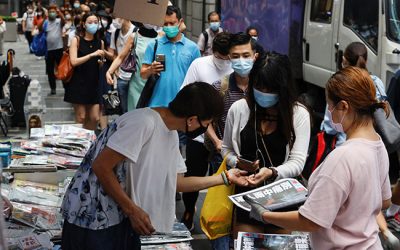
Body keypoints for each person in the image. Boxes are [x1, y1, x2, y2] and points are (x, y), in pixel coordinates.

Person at [61, 82, 248, 250]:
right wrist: (132, 210)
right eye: (206, 124)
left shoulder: (171, 133)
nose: (205, 129)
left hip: (120, 215)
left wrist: (224, 178)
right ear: (192, 119)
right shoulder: (143, 122)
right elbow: (101, 166)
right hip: (92, 216)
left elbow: (176, 182)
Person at [247, 66, 392, 249]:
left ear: (343, 107)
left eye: (329, 105)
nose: (328, 111)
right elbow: (384, 200)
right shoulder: (377, 144)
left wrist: (264, 214)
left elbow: (310, 221)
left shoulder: (343, 157)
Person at [222, 52, 311, 238]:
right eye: (259, 86)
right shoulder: (239, 109)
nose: (264, 93)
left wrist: (272, 172)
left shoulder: (298, 114)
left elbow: (297, 161)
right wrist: (237, 162)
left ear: (282, 88)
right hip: (247, 198)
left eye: (270, 89)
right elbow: (226, 149)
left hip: (282, 198)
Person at [180, 32, 257, 234]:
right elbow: (187, 95)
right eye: (233, 57)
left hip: (240, 156)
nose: (238, 61)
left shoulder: (258, 86)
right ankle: (190, 211)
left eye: (245, 56)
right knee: (197, 177)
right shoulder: (207, 72)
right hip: (203, 139)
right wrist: (216, 141)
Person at [140, 5, 200, 108]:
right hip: (156, 105)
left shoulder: (193, 48)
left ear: (180, 22)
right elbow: (143, 74)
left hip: (182, 105)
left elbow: (198, 79)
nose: (168, 27)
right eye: (165, 24)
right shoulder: (154, 45)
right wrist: (151, 69)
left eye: (172, 23)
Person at [65, 12, 111, 130]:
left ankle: (90, 143)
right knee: (81, 117)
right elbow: (73, 61)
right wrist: (92, 55)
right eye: (90, 22)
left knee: (95, 117)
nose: (93, 25)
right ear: (84, 25)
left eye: (96, 22)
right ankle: (82, 143)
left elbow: (101, 62)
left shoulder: (100, 42)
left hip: (94, 83)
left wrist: (101, 63)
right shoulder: (77, 40)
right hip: (79, 82)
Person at [106, 23, 159, 111]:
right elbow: (120, 57)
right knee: (135, 116)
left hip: (154, 83)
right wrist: (109, 71)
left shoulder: (161, 37)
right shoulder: (135, 36)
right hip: (136, 84)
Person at [109, 18, 136, 114]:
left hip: (134, 76)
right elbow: (115, 54)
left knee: (135, 108)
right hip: (121, 76)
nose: (115, 20)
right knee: (123, 109)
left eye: (118, 17)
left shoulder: (136, 32)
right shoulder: (115, 33)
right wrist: (114, 69)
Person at [44, 4, 65, 95]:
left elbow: (64, 22)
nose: (52, 13)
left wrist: (59, 12)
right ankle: (53, 88)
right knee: (50, 70)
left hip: (59, 48)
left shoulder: (59, 20)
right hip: (49, 50)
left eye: (53, 11)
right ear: (48, 13)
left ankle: (66, 86)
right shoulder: (46, 22)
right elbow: (40, 29)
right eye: (50, 11)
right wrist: (45, 18)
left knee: (62, 68)